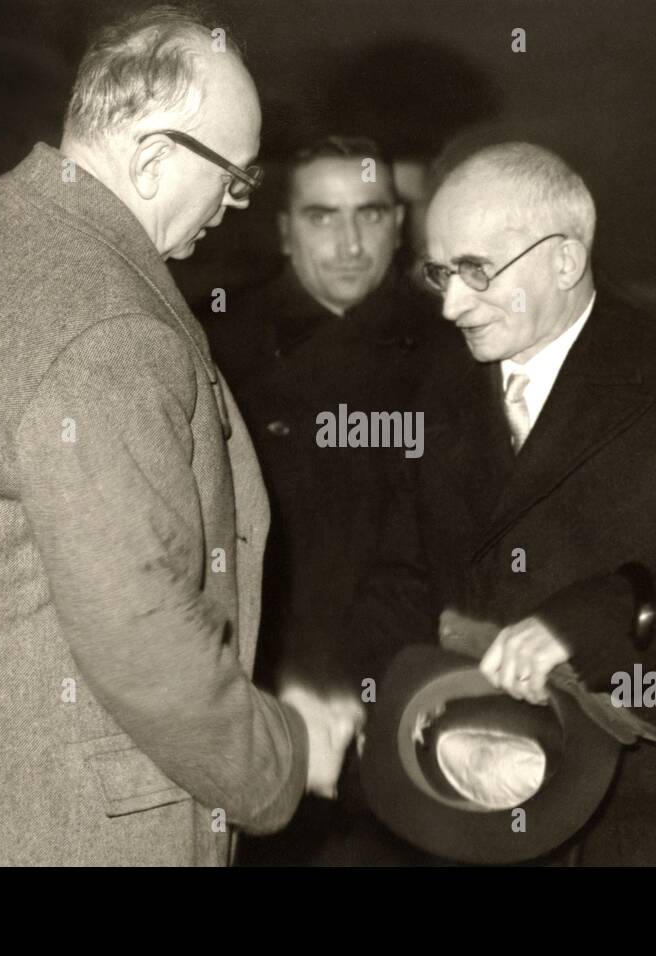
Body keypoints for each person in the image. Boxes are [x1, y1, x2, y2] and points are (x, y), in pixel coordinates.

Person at [0, 5, 355, 867]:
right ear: (156, 159)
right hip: (28, 802)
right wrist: (288, 753)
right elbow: (146, 642)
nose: (234, 207)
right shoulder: (111, 330)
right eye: (235, 178)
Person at [351, 142, 656, 865]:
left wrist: (600, 616)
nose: (451, 304)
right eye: (439, 272)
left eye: (476, 271)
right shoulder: (438, 396)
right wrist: (397, 709)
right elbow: (401, 581)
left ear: (566, 260)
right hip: (496, 805)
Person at [204, 136, 451, 863]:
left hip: (419, 700)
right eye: (321, 216)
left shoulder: (457, 347)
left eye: (369, 215)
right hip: (270, 704)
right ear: (284, 230)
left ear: (400, 224)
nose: (349, 243)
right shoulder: (216, 345)